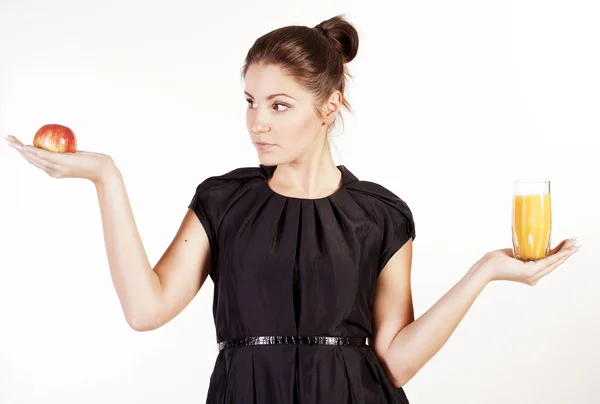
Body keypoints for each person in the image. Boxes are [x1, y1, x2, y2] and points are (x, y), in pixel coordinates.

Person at [5, 14, 579, 404]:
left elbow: (396, 361)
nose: (258, 121)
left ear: (329, 108)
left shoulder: (382, 215)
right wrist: (105, 176)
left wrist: (486, 270)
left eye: (280, 105)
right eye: (251, 102)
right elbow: (145, 309)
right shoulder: (223, 200)